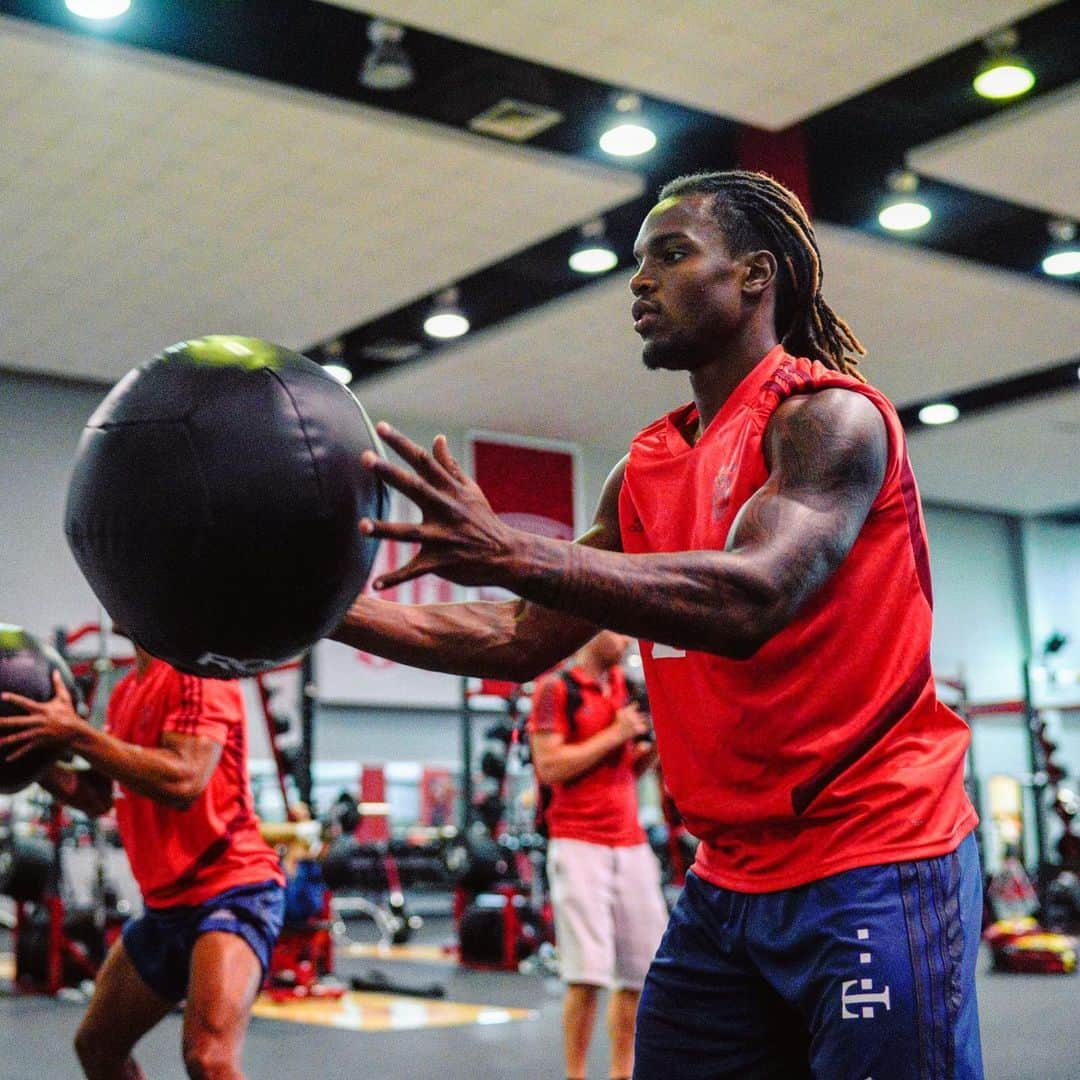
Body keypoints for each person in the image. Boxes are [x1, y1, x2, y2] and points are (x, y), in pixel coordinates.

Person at [330, 168, 983, 1078]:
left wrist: (515, 550)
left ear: (755, 275)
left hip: (873, 856)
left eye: (671, 255)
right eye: (637, 263)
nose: (640, 282)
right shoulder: (641, 472)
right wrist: (321, 612)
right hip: (728, 878)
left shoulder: (828, 420)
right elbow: (521, 638)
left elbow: (755, 596)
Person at [0, 643, 285, 1080]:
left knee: (209, 1059)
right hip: (166, 907)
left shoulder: (198, 671)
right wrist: (33, 753)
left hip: (231, 888)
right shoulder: (127, 692)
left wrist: (74, 732)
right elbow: (97, 796)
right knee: (98, 1049)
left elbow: (184, 779)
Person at [528, 630, 668, 1080]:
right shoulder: (556, 689)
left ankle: (621, 1073)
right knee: (587, 975)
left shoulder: (624, 688)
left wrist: (656, 746)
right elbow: (550, 767)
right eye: (619, 631)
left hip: (629, 843)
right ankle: (575, 1074)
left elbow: (627, 767)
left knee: (640, 972)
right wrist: (616, 733)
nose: (627, 641)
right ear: (591, 627)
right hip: (578, 841)